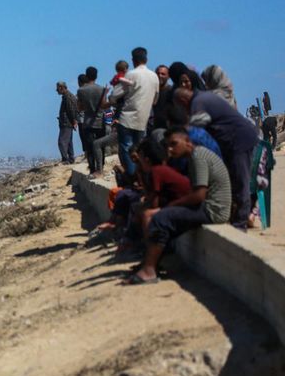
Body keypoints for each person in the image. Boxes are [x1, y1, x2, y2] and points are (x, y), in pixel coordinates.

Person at [125, 128, 231, 284]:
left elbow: (199, 195)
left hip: (214, 210)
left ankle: (149, 271)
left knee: (161, 218)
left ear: (188, 141)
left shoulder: (198, 157)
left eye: (174, 144)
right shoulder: (195, 156)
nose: (170, 149)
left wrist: (171, 207)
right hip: (209, 206)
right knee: (162, 216)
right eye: (168, 145)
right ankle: (151, 263)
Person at [174, 87, 259, 228]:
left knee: (240, 182)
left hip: (239, 141)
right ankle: (237, 218)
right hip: (235, 141)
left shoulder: (198, 103)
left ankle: (240, 223)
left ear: (183, 101)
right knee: (235, 181)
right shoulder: (204, 97)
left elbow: (194, 130)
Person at [107, 47, 160, 177]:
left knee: (126, 149)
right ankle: (142, 179)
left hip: (127, 118)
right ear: (146, 59)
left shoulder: (131, 75)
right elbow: (155, 99)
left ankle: (132, 178)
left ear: (133, 60)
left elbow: (114, 95)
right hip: (144, 119)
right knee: (141, 150)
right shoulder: (154, 76)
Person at [77, 67, 107, 174]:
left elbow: (80, 108)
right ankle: (101, 166)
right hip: (100, 120)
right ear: (96, 76)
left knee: (89, 147)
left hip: (87, 122)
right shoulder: (102, 89)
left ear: (86, 75)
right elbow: (104, 105)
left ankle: (92, 168)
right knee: (100, 145)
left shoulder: (81, 90)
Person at [56, 81, 78, 164]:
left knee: (62, 141)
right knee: (68, 142)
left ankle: (65, 160)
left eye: (57, 88)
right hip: (67, 122)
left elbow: (71, 110)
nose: (56, 90)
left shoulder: (68, 97)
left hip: (67, 123)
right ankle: (71, 159)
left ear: (61, 88)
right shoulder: (67, 96)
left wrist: (74, 121)